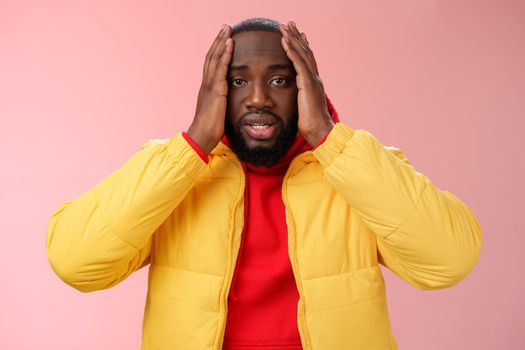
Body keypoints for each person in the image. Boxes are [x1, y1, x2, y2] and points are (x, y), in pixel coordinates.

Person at [46, 17, 482, 350]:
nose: (258, 98)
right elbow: (75, 261)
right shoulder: (172, 173)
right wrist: (194, 141)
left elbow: (449, 260)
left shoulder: (358, 170)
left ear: (306, 88)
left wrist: (330, 139)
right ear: (214, 90)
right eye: (237, 81)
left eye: (279, 80)